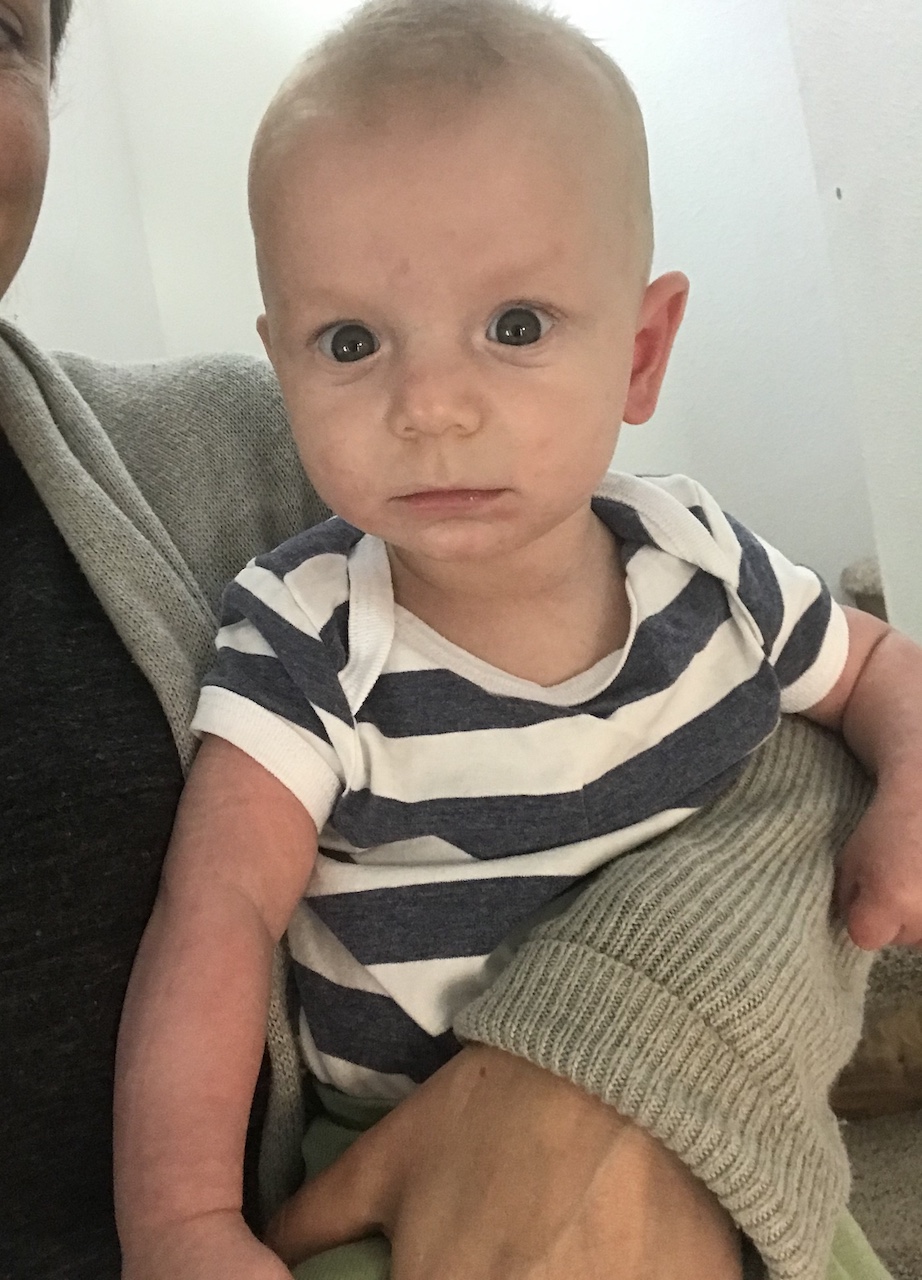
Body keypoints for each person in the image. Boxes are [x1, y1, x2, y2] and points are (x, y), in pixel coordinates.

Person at [110, 3, 918, 1279]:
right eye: (351, 341)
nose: (430, 405)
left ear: (640, 352)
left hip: (734, 1141)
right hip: (398, 1179)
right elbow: (215, 908)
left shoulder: (705, 562)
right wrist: (181, 1220)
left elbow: (872, 665)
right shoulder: (307, 632)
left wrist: (908, 786)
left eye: (517, 326)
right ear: (282, 367)